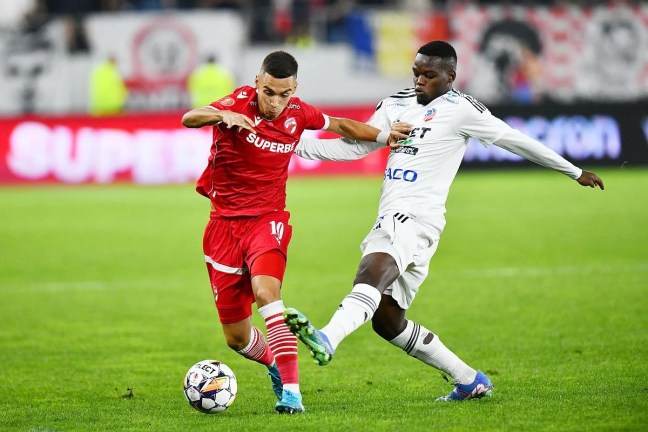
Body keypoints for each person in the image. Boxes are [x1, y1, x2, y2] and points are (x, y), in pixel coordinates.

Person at [283, 40, 604, 402]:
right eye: (416, 73)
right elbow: (354, 147)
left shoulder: (462, 110)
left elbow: (515, 140)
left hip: (415, 217)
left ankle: (328, 337)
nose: (420, 80)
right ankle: (469, 380)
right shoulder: (394, 104)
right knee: (387, 322)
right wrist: (290, 142)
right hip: (409, 223)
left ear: (450, 76)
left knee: (372, 270)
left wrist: (573, 171)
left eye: (429, 75)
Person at [181, 50, 404, 414]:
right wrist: (223, 115)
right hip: (223, 226)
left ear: (294, 89)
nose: (275, 102)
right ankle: (273, 364)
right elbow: (190, 117)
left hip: (268, 221)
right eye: (269, 92)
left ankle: (292, 393)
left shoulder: (298, 113)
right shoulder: (237, 102)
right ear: (258, 82)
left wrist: (384, 135)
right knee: (237, 338)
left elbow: (340, 125)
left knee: (268, 293)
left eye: (284, 94)